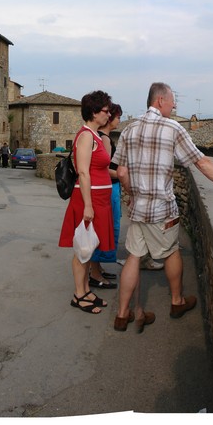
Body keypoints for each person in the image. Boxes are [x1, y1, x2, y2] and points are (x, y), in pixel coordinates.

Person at [111, 82, 213, 332]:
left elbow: (121, 172)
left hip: (137, 209)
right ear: (160, 101)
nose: (175, 105)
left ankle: (122, 315)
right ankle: (176, 302)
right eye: (172, 101)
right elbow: (201, 162)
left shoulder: (129, 129)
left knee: (133, 257)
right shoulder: (172, 128)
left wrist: (132, 194)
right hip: (162, 209)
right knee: (172, 251)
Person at [58, 90, 116, 314]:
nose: (108, 115)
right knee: (82, 248)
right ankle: (78, 294)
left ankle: (84, 290)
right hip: (88, 200)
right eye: (105, 111)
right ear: (93, 112)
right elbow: (83, 172)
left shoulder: (94, 135)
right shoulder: (85, 136)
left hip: (98, 199)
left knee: (89, 247)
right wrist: (89, 205)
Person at [87, 103, 123, 289]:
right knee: (103, 229)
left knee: (102, 229)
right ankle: (94, 273)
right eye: (117, 117)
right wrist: (124, 175)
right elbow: (104, 170)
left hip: (107, 189)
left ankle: (97, 268)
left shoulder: (102, 137)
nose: (119, 120)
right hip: (108, 189)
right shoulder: (104, 139)